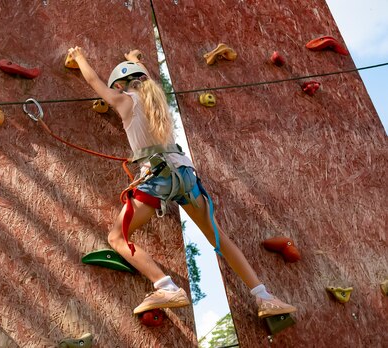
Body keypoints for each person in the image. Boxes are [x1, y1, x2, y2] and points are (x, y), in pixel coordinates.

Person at [67, 46, 296, 318]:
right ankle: (264, 297)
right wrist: (134, 61)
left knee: (116, 237)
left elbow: (94, 82)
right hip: (186, 176)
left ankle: (165, 286)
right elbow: (147, 80)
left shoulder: (123, 101)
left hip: (157, 178)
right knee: (218, 237)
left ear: (119, 85)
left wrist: (79, 56)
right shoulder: (158, 101)